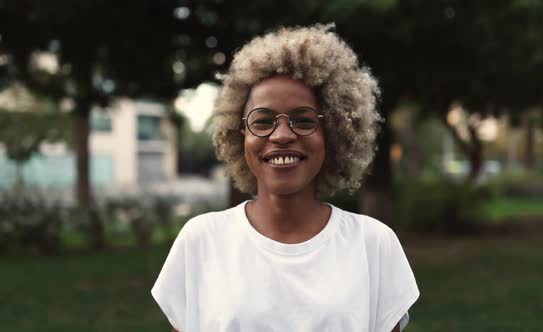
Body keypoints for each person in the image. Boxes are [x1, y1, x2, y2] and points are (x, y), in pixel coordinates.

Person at [151, 24, 419, 332]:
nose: (281, 135)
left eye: (302, 120)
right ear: (242, 135)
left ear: (331, 133)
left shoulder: (373, 244)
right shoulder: (201, 240)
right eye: (262, 121)